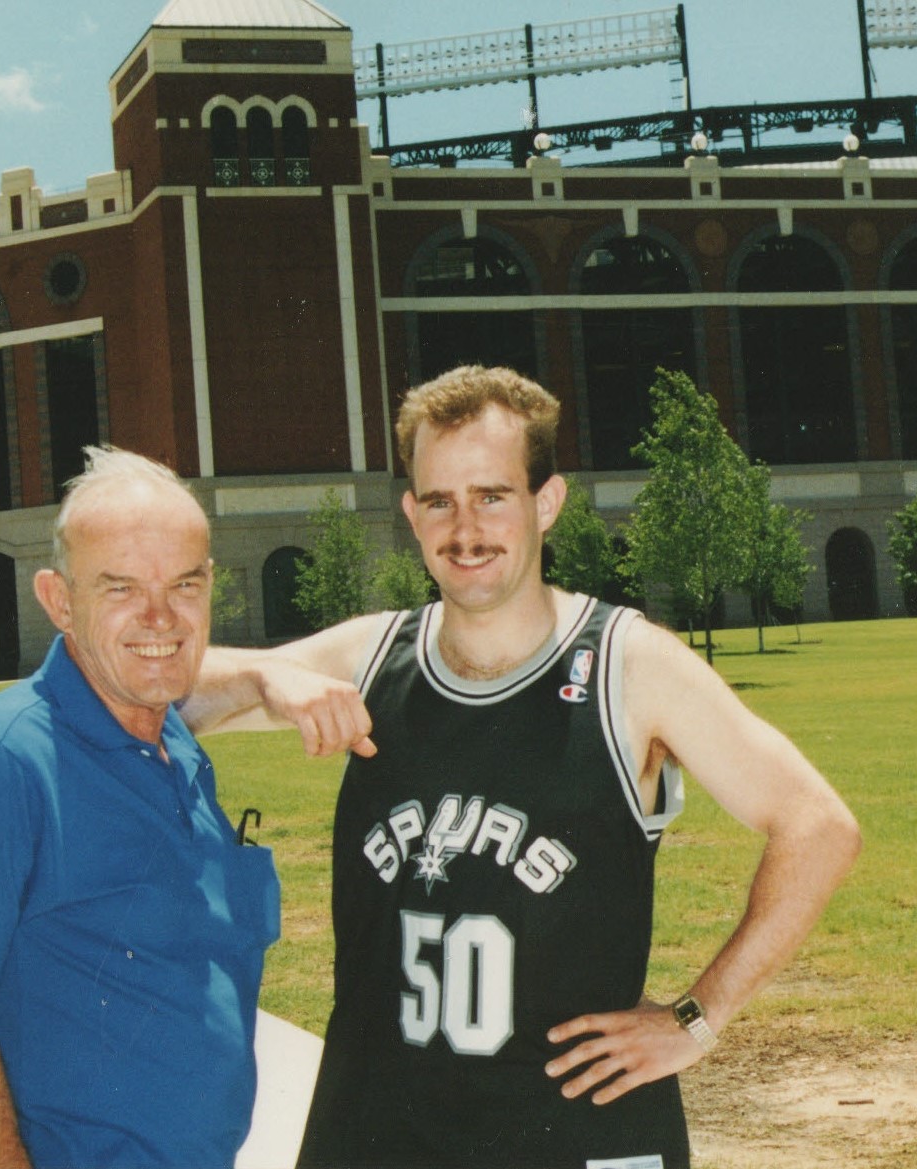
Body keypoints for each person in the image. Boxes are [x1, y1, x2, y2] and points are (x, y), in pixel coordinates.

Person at [186, 365, 861, 1168]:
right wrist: (265, 678)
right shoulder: (372, 656)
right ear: (410, 511)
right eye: (439, 500)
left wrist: (696, 1018)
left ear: (547, 502)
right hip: (382, 1128)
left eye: (492, 495)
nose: (464, 527)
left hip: (574, 1130)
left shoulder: (627, 666)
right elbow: (168, 697)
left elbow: (819, 825)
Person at [0, 446, 280, 1169]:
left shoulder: (173, 746)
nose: (161, 615)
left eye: (184, 584)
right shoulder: (1, 760)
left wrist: (263, 675)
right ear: (59, 599)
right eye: (121, 587)